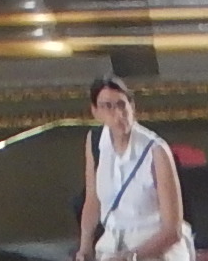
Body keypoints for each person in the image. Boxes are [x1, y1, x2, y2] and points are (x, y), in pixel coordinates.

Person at [74, 77, 190, 261]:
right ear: (95, 112)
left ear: (132, 106)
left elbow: (172, 231)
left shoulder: (156, 150)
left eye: (122, 104)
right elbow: (92, 200)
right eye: (108, 106)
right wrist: (85, 248)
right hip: (111, 246)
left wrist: (130, 257)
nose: (118, 113)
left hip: (154, 249)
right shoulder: (95, 142)